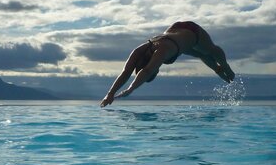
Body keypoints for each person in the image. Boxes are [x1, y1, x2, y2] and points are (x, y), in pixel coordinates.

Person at [100, 21, 235, 107]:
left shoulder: (162, 51)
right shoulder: (141, 49)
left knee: (209, 50)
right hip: (176, 32)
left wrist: (130, 89)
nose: (157, 70)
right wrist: (110, 94)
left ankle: (225, 66)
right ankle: (218, 70)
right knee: (200, 54)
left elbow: (146, 71)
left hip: (193, 32)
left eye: (156, 71)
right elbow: (126, 72)